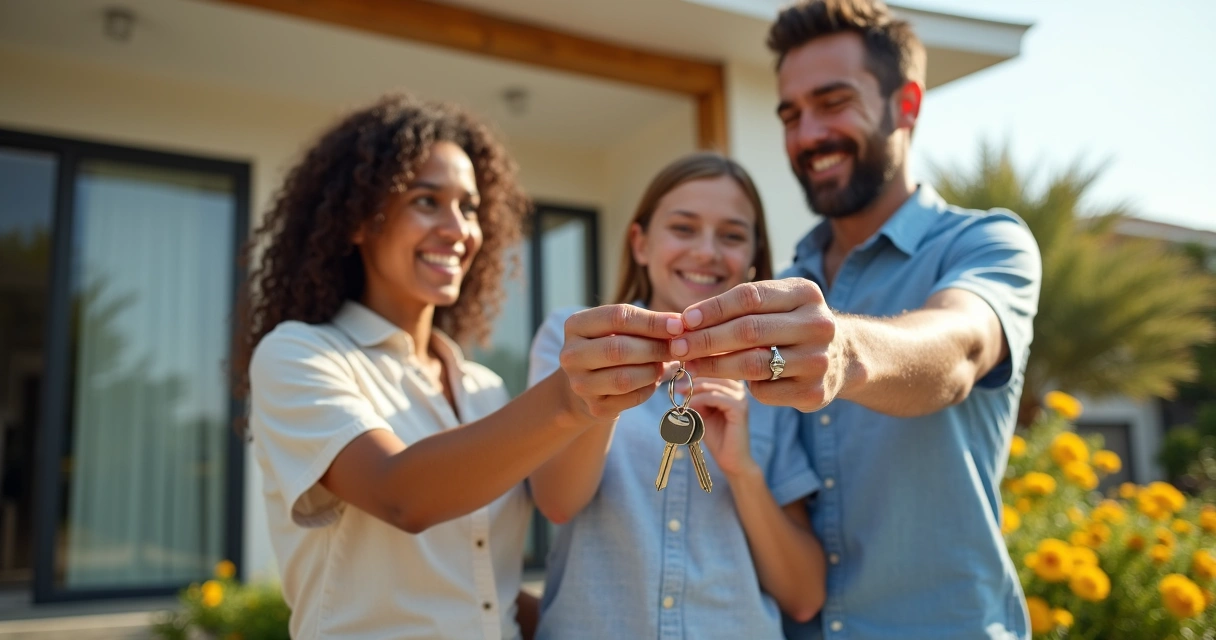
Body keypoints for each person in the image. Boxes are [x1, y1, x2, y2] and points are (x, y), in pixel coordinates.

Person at [233, 94, 685, 639]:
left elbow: (484, 590)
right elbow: (400, 494)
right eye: (427, 201)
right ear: (357, 221)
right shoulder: (299, 355)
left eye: (469, 208)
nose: (458, 229)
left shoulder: (483, 388)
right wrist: (572, 395)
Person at [666, 2, 1043, 639]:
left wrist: (842, 353)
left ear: (906, 105)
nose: (807, 135)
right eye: (791, 115)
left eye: (833, 102)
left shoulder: (985, 245)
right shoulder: (781, 289)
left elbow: (959, 350)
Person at [527, 152, 826, 639]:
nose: (707, 252)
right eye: (683, 228)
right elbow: (556, 503)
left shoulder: (774, 375)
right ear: (640, 243)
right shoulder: (575, 341)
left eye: (731, 235)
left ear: (753, 258)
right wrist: (606, 395)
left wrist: (742, 472)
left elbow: (804, 595)